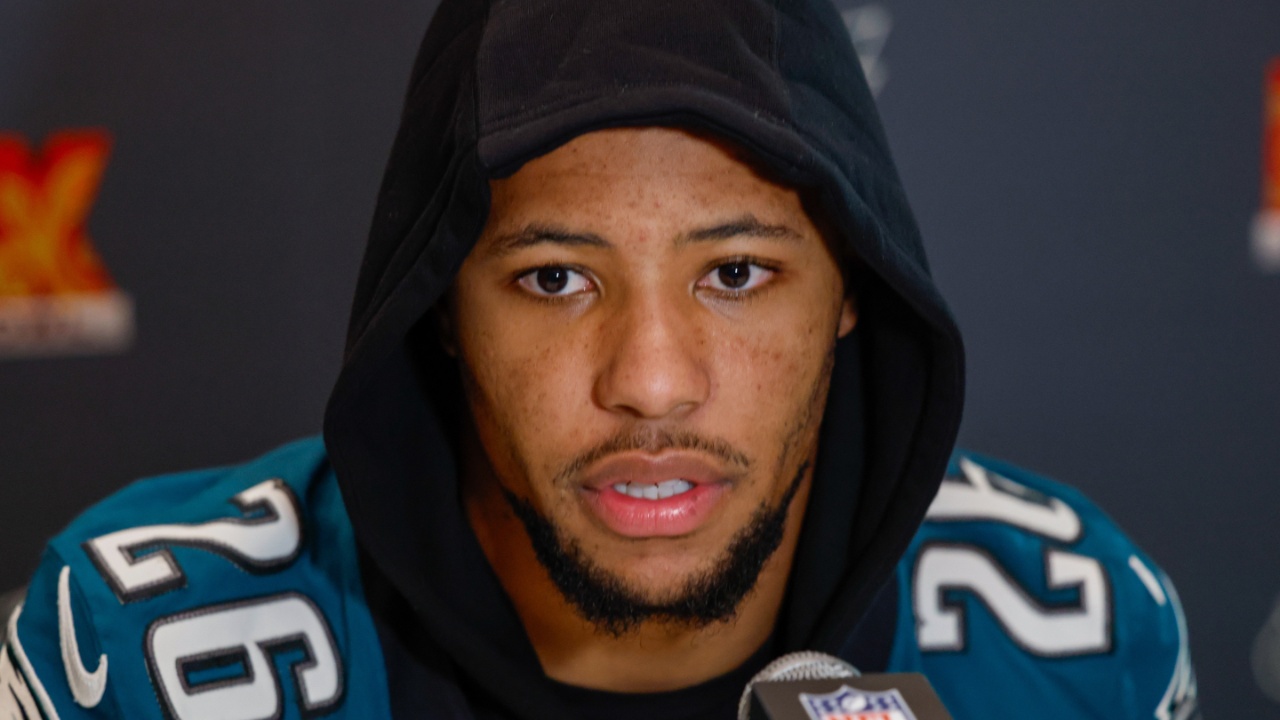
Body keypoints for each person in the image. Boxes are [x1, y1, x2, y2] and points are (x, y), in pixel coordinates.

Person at [0, 0, 1200, 718]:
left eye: (734, 273)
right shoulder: (144, 655)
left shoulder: (1067, 637)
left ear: (849, 289)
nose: (652, 379)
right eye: (554, 279)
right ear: (440, 305)